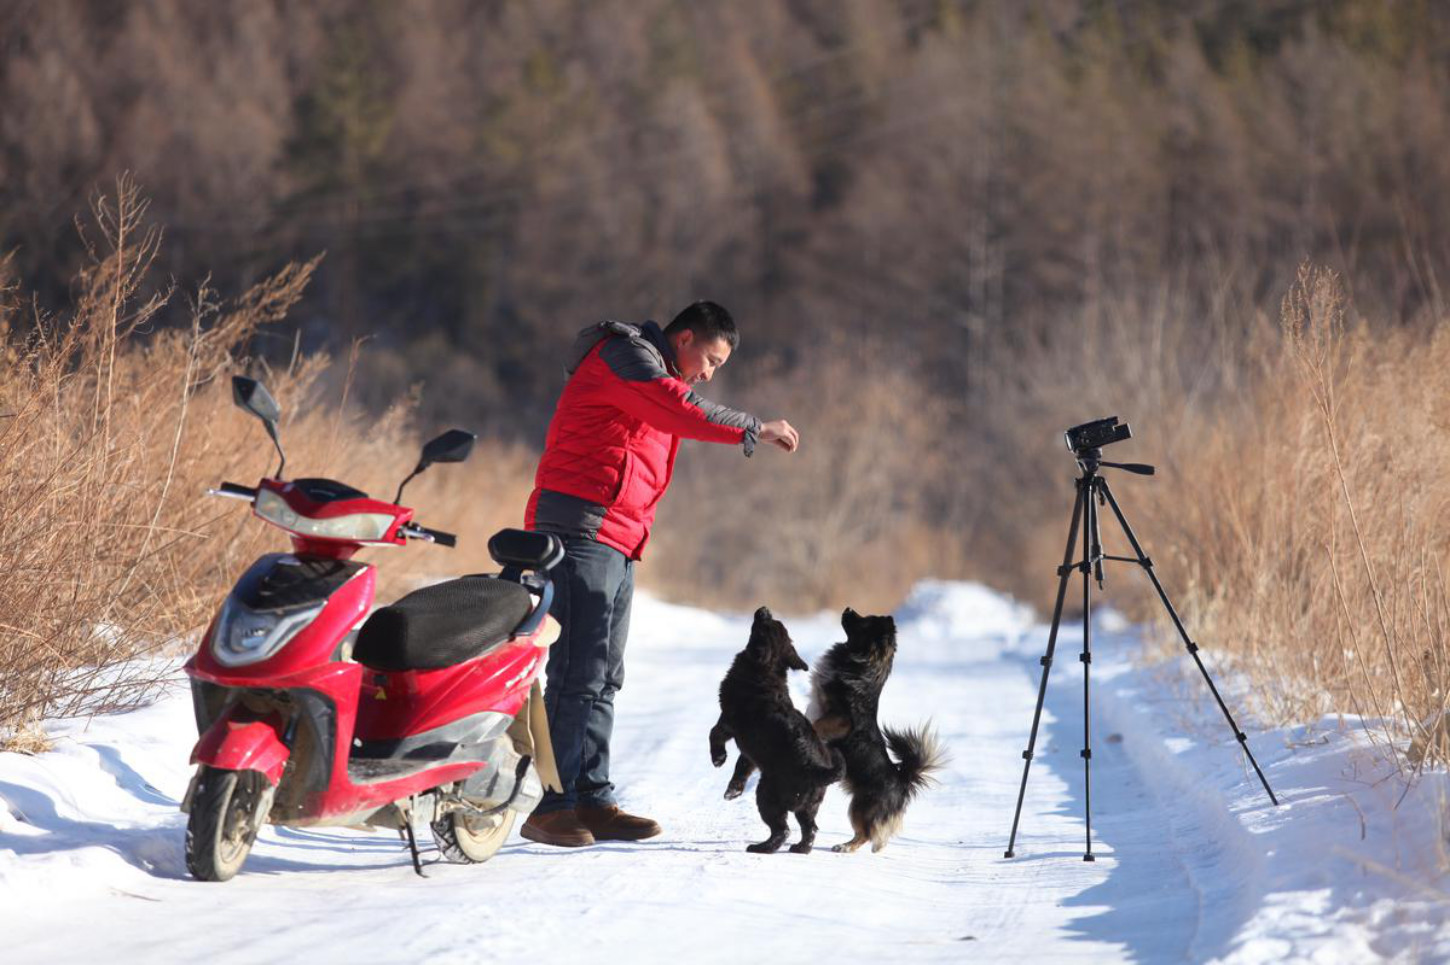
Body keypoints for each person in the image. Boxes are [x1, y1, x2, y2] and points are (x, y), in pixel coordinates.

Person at [519, 300, 799, 847]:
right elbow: (683, 411)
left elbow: (677, 408)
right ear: (686, 336)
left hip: (617, 536)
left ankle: (592, 799)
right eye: (711, 360)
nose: (710, 373)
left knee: (603, 674)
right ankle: (552, 806)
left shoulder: (655, 370)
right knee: (576, 671)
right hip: (580, 528)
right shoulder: (627, 357)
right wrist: (754, 428)